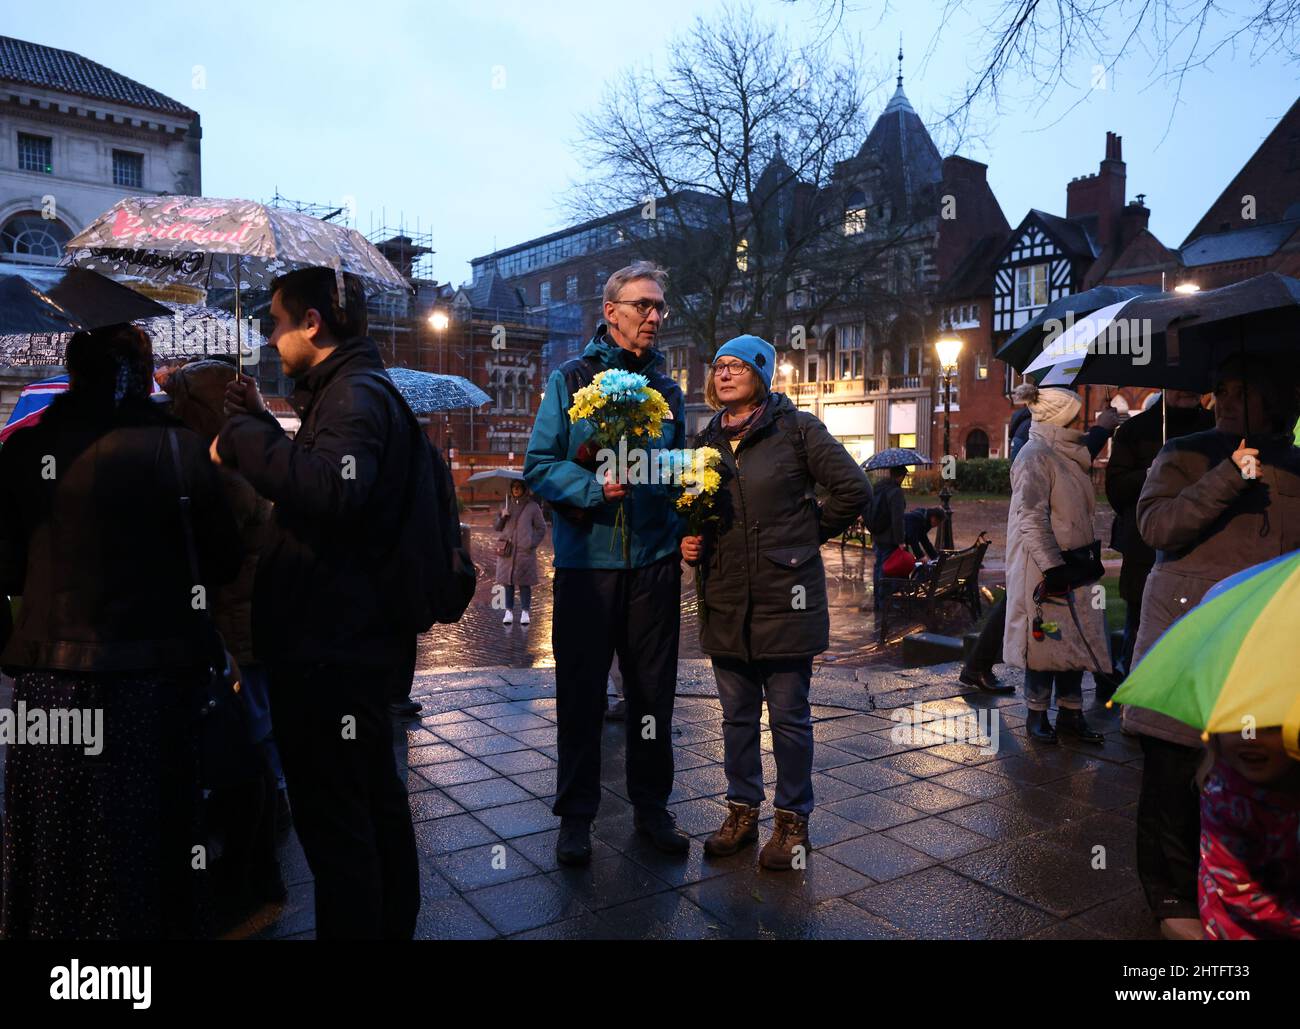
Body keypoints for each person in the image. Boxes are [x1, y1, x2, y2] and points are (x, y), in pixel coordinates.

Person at [0, 325, 240, 939]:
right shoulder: (183, 450)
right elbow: (223, 561)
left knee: (55, 835)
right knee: (147, 831)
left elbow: (3, 563)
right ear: (142, 372)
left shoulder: (25, 451)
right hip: (154, 678)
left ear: (75, 373)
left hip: (47, 679)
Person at [213, 267, 420, 939]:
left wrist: (243, 438)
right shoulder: (347, 391)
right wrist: (261, 417)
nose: (271, 337)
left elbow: (333, 489)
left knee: (337, 823)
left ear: (312, 323)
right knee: (371, 800)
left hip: (330, 653)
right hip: (344, 644)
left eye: (277, 321)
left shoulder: (355, 396)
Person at [1127, 355, 1300, 941]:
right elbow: (1156, 528)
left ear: (1276, 397)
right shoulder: (1186, 452)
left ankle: (1244, 882)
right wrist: (1228, 474)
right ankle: (1171, 891)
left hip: (1263, 643)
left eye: (1242, 389)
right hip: (1188, 632)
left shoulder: (1297, 466)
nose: (1225, 400)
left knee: (1251, 771)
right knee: (1173, 771)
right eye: (1220, 389)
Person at [681, 335, 870, 869]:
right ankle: (742, 813)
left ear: (763, 373)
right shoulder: (706, 441)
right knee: (736, 717)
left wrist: (804, 536)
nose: (725, 374)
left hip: (786, 598)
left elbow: (854, 489)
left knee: (788, 717)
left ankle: (792, 823)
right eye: (718, 366)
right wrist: (689, 539)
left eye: (739, 366)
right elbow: (694, 511)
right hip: (724, 597)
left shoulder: (797, 430)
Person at [524, 262, 688, 866]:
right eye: (643, 305)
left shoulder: (668, 391)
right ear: (611, 309)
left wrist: (688, 494)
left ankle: (652, 808)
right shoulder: (570, 379)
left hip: (653, 562)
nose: (654, 316)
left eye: (659, 307)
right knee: (581, 692)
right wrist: (595, 488)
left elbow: (676, 469)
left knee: (652, 695)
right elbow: (539, 464)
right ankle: (575, 816)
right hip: (586, 564)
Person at [163, 358, 286, 929]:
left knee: (249, 724)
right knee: (257, 718)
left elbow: (220, 549)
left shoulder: (221, 466)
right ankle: (272, 801)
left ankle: (268, 811)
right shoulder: (249, 450)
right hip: (257, 618)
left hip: (235, 620)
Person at [960, 402, 1120, 694]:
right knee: (1027, 606)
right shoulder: (1035, 440)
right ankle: (984, 670)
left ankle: (978, 666)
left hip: (1052, 542)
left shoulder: (1031, 428)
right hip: (1044, 544)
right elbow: (1062, 462)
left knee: (1025, 603)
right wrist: (1100, 430)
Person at [1003, 383, 1112, 745]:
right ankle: (1036, 713)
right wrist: (1053, 567)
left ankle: (1070, 712)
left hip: (1077, 565)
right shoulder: (1035, 454)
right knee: (1045, 641)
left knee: (1074, 642)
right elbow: (1030, 517)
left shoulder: (1067, 454)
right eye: (1074, 416)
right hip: (1046, 568)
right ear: (1059, 416)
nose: (1079, 422)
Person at [1104, 390, 1213, 683]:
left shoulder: (1214, 428)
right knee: (1141, 625)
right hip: (1145, 547)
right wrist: (1151, 474)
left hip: (1201, 548)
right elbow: (1116, 490)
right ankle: (1134, 693)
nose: (1185, 391)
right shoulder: (1135, 431)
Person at [1198, 727, 1300, 941]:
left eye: (1271, 728)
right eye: (1237, 726)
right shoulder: (1224, 802)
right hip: (1242, 928)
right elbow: (1240, 892)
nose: (1250, 738)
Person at [494, 479, 546, 625]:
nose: (516, 489)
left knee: (524, 583)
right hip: (507, 551)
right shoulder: (505, 505)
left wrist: (531, 543)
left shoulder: (533, 507)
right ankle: (508, 611)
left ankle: (525, 612)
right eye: (513, 487)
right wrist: (502, 517)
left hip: (524, 552)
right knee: (507, 583)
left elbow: (541, 528)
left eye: (519, 487)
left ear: (524, 489)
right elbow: (497, 527)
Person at [867, 465, 906, 608]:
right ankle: (885, 602)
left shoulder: (878, 488)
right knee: (887, 570)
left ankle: (878, 601)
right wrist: (900, 541)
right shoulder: (896, 492)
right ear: (901, 476)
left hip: (877, 535)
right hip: (890, 538)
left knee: (878, 568)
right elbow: (897, 519)